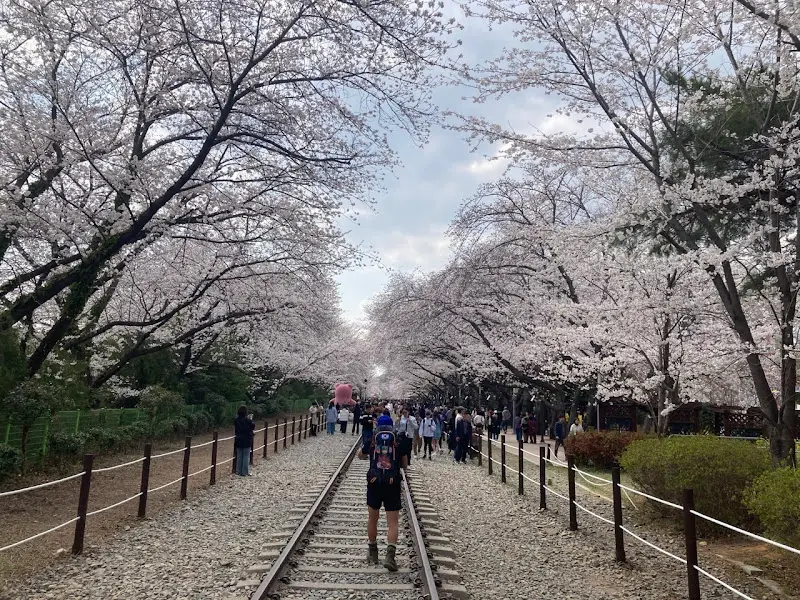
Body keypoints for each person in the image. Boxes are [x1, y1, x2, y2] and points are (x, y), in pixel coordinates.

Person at [359, 414, 408, 571]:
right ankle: (390, 557)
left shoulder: (373, 438)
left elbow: (361, 454)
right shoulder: (398, 439)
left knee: (373, 518)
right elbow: (405, 464)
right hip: (392, 484)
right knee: (392, 522)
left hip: (374, 483)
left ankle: (373, 552)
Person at [234, 406, 255, 476]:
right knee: (246, 456)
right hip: (247, 439)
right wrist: (250, 419)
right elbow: (252, 426)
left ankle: (238, 471)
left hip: (238, 439)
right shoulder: (248, 420)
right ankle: (244, 472)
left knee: (239, 456)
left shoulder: (236, 420)